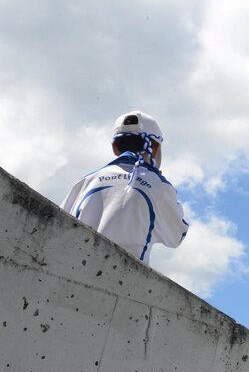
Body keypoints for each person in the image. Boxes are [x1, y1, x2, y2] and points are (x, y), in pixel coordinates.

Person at [61, 111, 188, 263]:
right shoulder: (160, 186)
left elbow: (60, 225)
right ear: (155, 150)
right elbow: (176, 236)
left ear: (115, 148)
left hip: (71, 269)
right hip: (121, 282)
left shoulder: (85, 181)